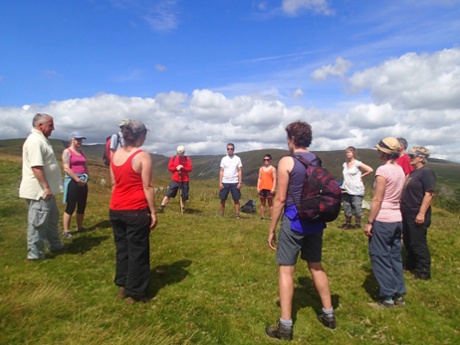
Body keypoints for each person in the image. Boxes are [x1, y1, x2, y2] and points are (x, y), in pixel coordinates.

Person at [266, 121, 335, 341]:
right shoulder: (317, 160)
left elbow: (280, 199)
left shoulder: (287, 161)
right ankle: (328, 315)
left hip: (294, 220)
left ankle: (285, 327)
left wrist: (271, 228)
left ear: (292, 139)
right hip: (315, 220)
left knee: (286, 270)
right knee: (316, 265)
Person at [109, 120, 157, 304]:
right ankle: (135, 292)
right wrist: (153, 212)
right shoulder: (142, 156)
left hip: (116, 208)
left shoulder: (115, 155)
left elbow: (114, 183)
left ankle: (122, 284)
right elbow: (148, 186)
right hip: (136, 209)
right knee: (138, 251)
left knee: (122, 249)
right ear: (140, 136)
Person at [364, 137, 406, 308]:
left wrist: (369, 221)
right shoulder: (400, 170)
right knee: (394, 257)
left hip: (383, 219)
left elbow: (378, 199)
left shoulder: (383, 170)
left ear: (384, 152)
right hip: (397, 218)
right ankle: (399, 294)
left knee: (379, 256)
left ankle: (387, 297)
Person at [19, 113, 64, 260]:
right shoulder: (34, 142)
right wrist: (46, 187)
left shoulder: (41, 140)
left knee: (51, 218)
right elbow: (36, 166)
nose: (53, 128)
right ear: (40, 126)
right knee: (38, 221)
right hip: (40, 191)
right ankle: (35, 254)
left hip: (46, 190)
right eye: (50, 125)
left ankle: (55, 245)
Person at [401, 146, 436, 280]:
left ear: (421, 158)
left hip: (417, 212)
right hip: (408, 212)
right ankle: (411, 265)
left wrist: (421, 213)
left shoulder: (426, 172)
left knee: (418, 243)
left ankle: (423, 272)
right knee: (408, 240)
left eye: (412, 156)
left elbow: (429, 194)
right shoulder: (414, 172)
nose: (409, 158)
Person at [61, 131, 89, 238]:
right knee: (71, 206)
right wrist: (77, 179)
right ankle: (66, 230)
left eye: (81, 139)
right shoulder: (67, 152)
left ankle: (80, 227)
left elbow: (85, 165)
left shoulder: (81, 152)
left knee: (82, 205)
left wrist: (87, 177)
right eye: (77, 139)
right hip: (73, 181)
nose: (80, 142)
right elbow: (66, 168)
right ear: (72, 140)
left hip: (83, 180)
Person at [340, 146, 373, 229]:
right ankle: (348, 223)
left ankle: (358, 224)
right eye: (346, 152)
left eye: (349, 152)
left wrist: (361, 176)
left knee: (356, 206)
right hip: (346, 188)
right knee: (347, 206)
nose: (347, 154)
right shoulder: (345, 164)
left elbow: (370, 170)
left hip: (356, 189)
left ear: (353, 153)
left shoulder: (357, 163)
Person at [158, 145, 193, 213]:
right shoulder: (173, 158)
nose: (180, 155)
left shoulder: (187, 159)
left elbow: (190, 169)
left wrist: (183, 167)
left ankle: (183, 208)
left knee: (184, 195)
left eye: (181, 153)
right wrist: (176, 168)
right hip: (175, 179)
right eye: (179, 153)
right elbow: (169, 168)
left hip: (184, 180)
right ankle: (161, 207)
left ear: (183, 152)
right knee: (169, 193)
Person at [219, 143, 243, 218]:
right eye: (228, 149)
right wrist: (220, 182)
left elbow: (239, 170)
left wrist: (239, 182)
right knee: (222, 199)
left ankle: (237, 215)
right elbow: (221, 171)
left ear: (233, 150)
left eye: (231, 149)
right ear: (227, 150)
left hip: (235, 182)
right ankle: (221, 214)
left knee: (236, 199)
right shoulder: (224, 159)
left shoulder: (237, 159)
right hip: (225, 181)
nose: (230, 150)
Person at [257, 153, 277, 220]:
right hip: (262, 187)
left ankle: (272, 217)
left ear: (270, 160)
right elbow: (259, 178)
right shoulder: (261, 169)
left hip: (269, 188)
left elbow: (274, 179)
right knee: (262, 203)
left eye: (267, 159)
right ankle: (262, 216)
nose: (266, 161)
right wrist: (258, 187)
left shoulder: (273, 169)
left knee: (270, 203)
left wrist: (273, 188)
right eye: (264, 159)